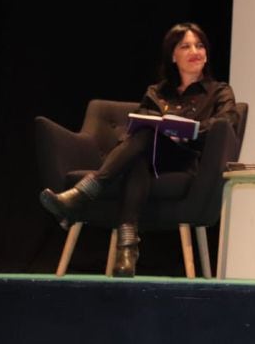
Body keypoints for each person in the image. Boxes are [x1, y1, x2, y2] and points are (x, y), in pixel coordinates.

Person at [39, 22, 239, 277]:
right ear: (173, 56)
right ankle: (126, 250)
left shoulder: (219, 91)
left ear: (207, 53)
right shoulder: (157, 92)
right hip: (150, 157)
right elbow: (138, 128)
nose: (195, 51)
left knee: (143, 142)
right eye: (185, 46)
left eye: (199, 46)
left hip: (187, 159)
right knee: (140, 151)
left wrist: (188, 131)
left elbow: (228, 122)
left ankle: (85, 192)